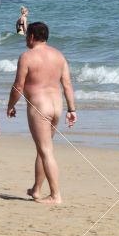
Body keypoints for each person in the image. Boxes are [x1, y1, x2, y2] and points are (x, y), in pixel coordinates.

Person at [7, 21, 76, 205]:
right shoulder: (59, 56)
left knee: (46, 151)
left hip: (40, 107)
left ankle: (55, 195)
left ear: (30, 36)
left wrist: (10, 105)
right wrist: (72, 109)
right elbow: (67, 85)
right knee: (44, 148)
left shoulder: (27, 57)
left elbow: (18, 86)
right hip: (57, 107)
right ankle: (36, 189)